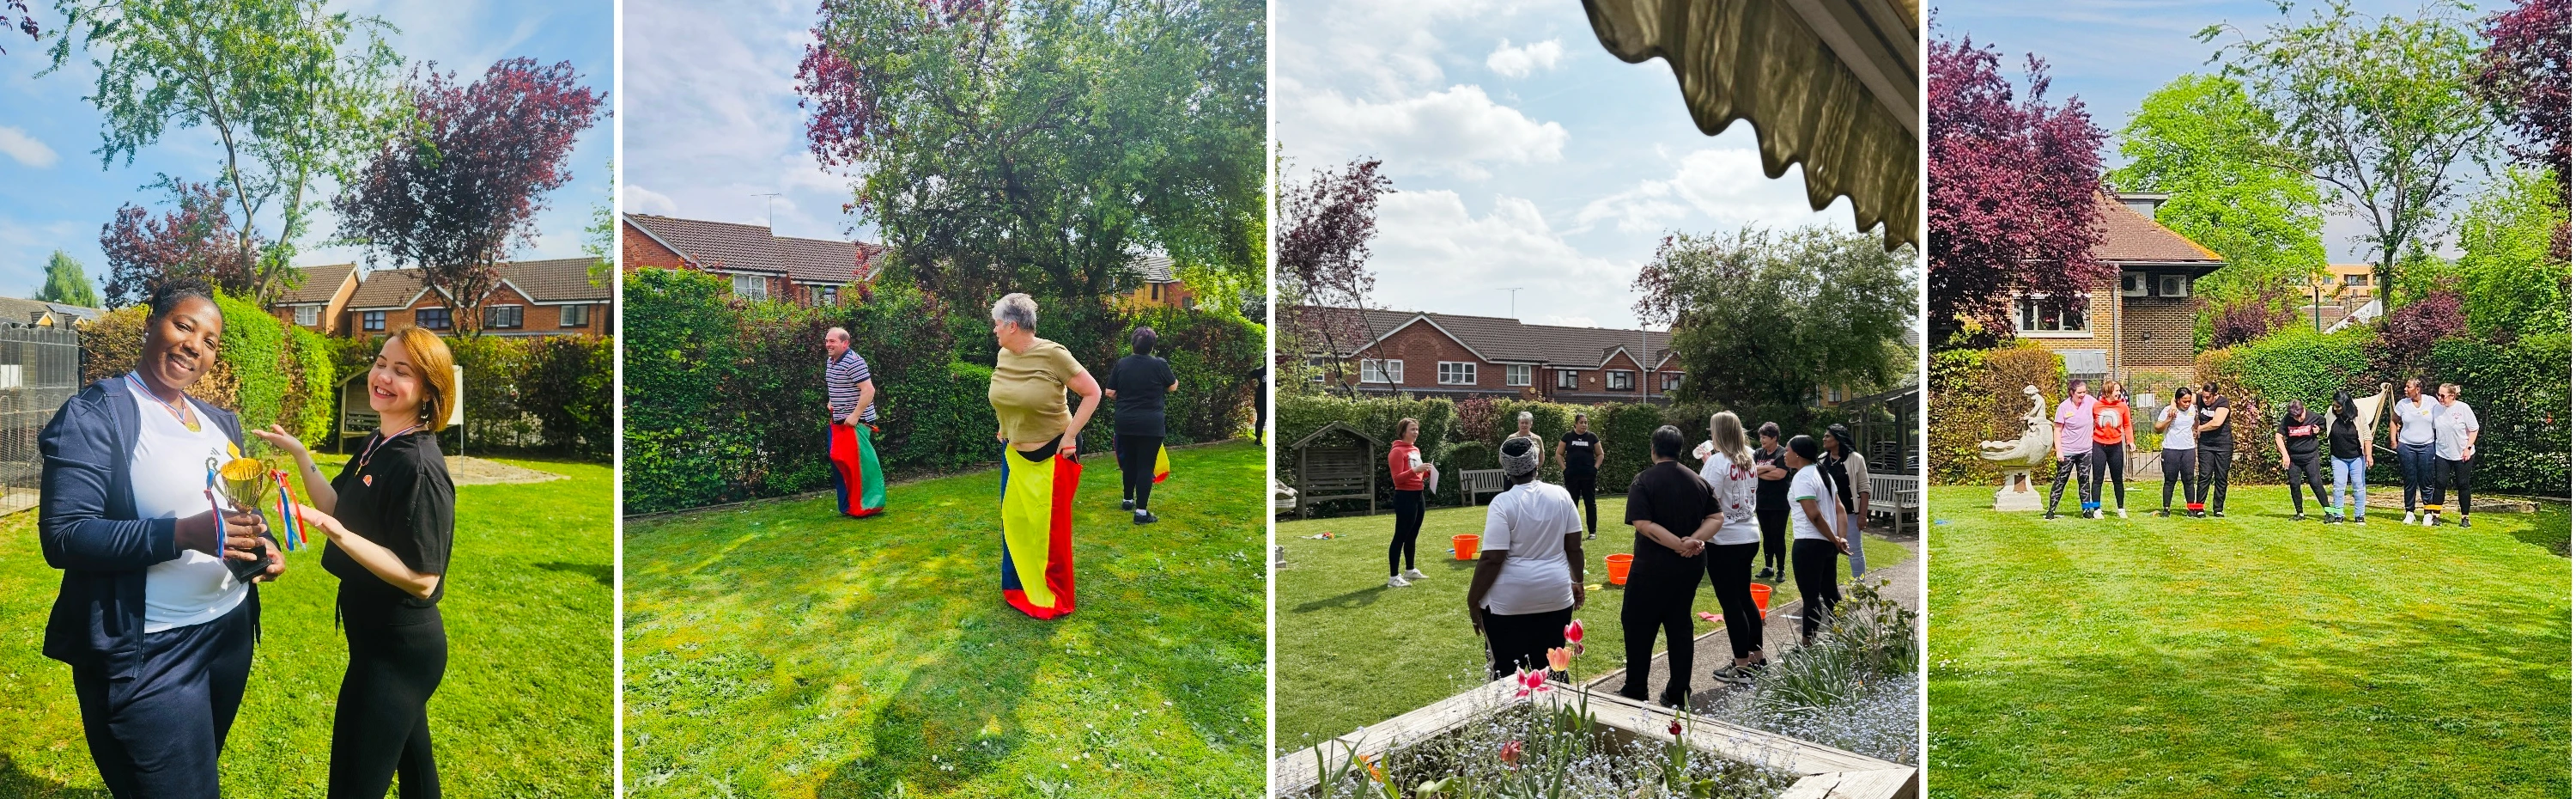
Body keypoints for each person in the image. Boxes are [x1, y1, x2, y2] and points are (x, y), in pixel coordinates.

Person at [39, 279, 281, 797]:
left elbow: (236, 510)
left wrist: (259, 547)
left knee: (197, 773)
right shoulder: (98, 414)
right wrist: (184, 534)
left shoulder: (220, 423)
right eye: (184, 325)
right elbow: (65, 536)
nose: (196, 345)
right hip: (149, 652)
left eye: (211, 340)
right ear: (152, 324)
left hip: (228, 635)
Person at [258, 326, 458, 798]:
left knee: (352, 782)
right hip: (373, 639)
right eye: (381, 363)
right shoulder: (378, 442)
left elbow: (423, 579)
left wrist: (337, 535)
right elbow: (335, 505)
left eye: (401, 371)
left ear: (429, 390)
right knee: (416, 768)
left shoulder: (420, 468)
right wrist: (302, 455)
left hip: (398, 651)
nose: (383, 376)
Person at [985, 293, 1101, 619]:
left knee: (1049, 528)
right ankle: (1018, 586)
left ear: (1012, 325)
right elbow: (1005, 394)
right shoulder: (1004, 355)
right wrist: (1004, 424)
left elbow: (1092, 393)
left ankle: (1051, 591)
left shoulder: (1053, 355)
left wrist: (1070, 436)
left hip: (1052, 452)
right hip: (1015, 455)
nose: (994, 331)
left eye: (996, 325)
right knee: (1016, 521)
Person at [1466, 436, 1586, 680]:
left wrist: (1473, 600)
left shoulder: (1502, 503)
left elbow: (1492, 558)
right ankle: (1559, 717)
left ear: (1506, 469)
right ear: (1536, 464)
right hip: (1556, 596)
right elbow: (1574, 548)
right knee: (1554, 671)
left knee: (1506, 674)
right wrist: (1577, 581)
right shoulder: (1561, 496)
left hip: (1507, 603)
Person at [1616, 426, 1717, 706]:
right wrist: (1692, 542)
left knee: (1638, 624)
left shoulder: (1643, 481)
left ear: (1653, 449)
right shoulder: (1698, 481)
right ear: (1681, 450)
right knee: (1679, 624)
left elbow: (1643, 524)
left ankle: (1636, 688)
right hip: (1689, 567)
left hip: (1651, 566)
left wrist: (1678, 544)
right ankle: (1678, 692)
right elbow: (1717, 517)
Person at [1697, 412, 1766, 686]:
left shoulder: (1717, 461)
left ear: (1718, 433)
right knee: (1744, 596)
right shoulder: (1749, 455)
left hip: (1724, 540)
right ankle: (1757, 658)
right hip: (1749, 534)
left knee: (1731, 603)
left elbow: (1703, 495)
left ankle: (1741, 666)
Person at [1104, 326, 1177, 525]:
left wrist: (1125, 398)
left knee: (1129, 463)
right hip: (1150, 424)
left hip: (1125, 421)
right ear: (1152, 346)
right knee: (1145, 466)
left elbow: (1109, 392)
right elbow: (1172, 386)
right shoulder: (1160, 364)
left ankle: (1127, 500)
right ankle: (1141, 513)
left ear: (1132, 344)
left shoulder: (1122, 364)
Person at [1783, 435, 1849, 646]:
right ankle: (1842, 638)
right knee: (1830, 593)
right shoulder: (1824, 474)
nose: (1785, 455)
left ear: (1798, 454)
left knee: (1811, 597)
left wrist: (1835, 539)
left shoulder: (1802, 477)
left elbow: (1815, 515)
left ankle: (1807, 646)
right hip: (1827, 545)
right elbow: (1840, 509)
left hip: (1809, 544)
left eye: (1787, 450)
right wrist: (1839, 538)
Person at [823, 326, 884, 518]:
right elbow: (838, 384)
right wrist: (833, 400)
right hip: (839, 422)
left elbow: (869, 390)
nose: (828, 344)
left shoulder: (854, 362)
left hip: (856, 424)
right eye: (827, 341)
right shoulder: (831, 361)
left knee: (860, 466)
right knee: (840, 462)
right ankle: (848, 506)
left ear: (845, 343)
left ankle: (868, 505)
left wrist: (856, 415)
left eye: (832, 341)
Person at [1386, 418, 1432, 588]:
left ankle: (1410, 570)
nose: (1416, 432)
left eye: (1417, 429)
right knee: (1400, 536)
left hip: (1418, 495)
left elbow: (1416, 474)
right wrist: (1415, 470)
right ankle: (1393, 577)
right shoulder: (1396, 452)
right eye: (1412, 429)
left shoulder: (1415, 449)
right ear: (1403, 431)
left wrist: (1426, 473)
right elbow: (1397, 479)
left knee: (1413, 535)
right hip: (1404, 496)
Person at [2427, 383, 2481, 528]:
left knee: (2463, 484)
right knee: (2440, 483)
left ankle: (2465, 517)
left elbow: (2474, 429)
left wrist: (2468, 448)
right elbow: (2430, 427)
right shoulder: (2436, 409)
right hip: (2443, 452)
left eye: (2443, 395)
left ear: (2452, 396)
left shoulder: (2463, 408)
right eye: (2438, 394)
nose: (2440, 398)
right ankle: (2436, 515)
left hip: (2462, 453)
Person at [1821, 424, 1870, 576]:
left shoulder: (1856, 459)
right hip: (1827, 515)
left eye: (1828, 436)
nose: (1824, 438)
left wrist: (1862, 516)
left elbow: (1864, 488)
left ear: (1838, 439)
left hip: (1850, 513)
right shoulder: (1822, 460)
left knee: (1854, 550)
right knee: (1827, 551)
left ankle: (1859, 588)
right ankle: (1828, 590)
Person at [2043, 380, 2096, 520]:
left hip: (2086, 450)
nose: (2083, 395)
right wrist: (2059, 450)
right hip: (2068, 451)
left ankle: (2086, 511)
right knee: (2061, 479)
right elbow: (2058, 430)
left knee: (2084, 479)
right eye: (2079, 393)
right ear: (2072, 392)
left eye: (2084, 392)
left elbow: (2102, 410)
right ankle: (2051, 510)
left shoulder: (2090, 401)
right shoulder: (2064, 407)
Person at [2390, 377, 2440, 525]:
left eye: (2408, 387)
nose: (2405, 390)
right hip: (2407, 446)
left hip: (2427, 446)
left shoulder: (2431, 402)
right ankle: (2410, 512)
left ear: (2417, 389)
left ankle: (2428, 512)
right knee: (2410, 479)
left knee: (2426, 480)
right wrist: (2394, 441)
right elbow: (2394, 421)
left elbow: (2443, 415)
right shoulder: (2402, 404)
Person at [2274, 400, 2330, 521]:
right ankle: (2300, 513)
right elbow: (2278, 436)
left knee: (2316, 483)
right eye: (2295, 417)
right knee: (2294, 484)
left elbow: (2327, 425)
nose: (2298, 420)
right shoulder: (2288, 419)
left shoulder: (2314, 417)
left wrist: (2319, 430)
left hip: (2310, 456)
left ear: (2304, 409)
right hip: (2294, 458)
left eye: (2300, 416)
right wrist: (2285, 455)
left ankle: (2329, 513)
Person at [2087, 381, 2135, 518]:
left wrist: (2130, 441)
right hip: (2099, 445)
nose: (2119, 393)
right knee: (2097, 479)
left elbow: (2127, 425)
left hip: (2116, 446)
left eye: (2119, 390)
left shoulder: (2123, 407)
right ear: (2108, 392)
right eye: (2116, 391)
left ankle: (2121, 508)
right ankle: (2096, 509)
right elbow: (2088, 423)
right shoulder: (2096, 406)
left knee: (2118, 479)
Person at [1750, 423, 1791, 581]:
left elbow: (1780, 474)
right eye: (1760, 437)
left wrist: (1759, 472)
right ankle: (1769, 567)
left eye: (1764, 437)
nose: (1761, 440)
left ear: (1774, 438)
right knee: (1767, 535)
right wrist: (1770, 468)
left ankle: (1781, 569)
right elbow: (1751, 470)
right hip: (1761, 502)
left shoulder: (1783, 453)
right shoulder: (1758, 453)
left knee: (1778, 536)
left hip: (1779, 503)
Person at [1557, 412, 1604, 540]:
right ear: (1575, 424)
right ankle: (1572, 532)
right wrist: (1565, 469)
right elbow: (1559, 454)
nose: (1584, 425)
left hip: (1588, 476)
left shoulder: (1592, 437)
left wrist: (1595, 468)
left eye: (1586, 423)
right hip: (1571, 476)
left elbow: (1600, 454)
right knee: (1572, 503)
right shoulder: (1567, 437)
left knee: (1590, 503)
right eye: (1581, 422)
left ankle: (1592, 532)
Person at [2326, 389, 2371, 524]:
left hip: (2357, 456)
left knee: (2358, 485)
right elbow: (2326, 426)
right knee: (2339, 486)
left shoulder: (2359, 414)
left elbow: (2367, 435)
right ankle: (2339, 514)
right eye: (2334, 405)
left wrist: (2369, 455)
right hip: (2338, 457)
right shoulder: (2330, 413)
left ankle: (2359, 515)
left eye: (2338, 406)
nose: (2335, 408)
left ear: (2346, 405)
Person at [2154, 387, 2198, 516]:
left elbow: (2195, 423)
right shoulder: (2168, 410)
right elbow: (2157, 429)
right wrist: (2169, 419)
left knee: (2189, 480)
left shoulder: (2192, 410)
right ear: (2178, 400)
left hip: (2188, 449)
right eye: (2184, 401)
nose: (2187, 404)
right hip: (2171, 449)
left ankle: (2192, 509)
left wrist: (2196, 431)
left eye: (2189, 401)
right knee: (2170, 480)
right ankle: (2166, 509)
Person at [2193, 383, 2235, 518]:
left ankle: (2218, 509)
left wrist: (2200, 428)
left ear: (2215, 395)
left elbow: (2217, 422)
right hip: (2206, 445)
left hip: (2223, 444)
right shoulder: (2200, 398)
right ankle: (2198, 508)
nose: (2205, 400)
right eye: (2203, 397)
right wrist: (2173, 406)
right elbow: (2180, 398)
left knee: (2221, 477)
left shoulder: (2223, 403)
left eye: (2208, 398)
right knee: (2204, 475)